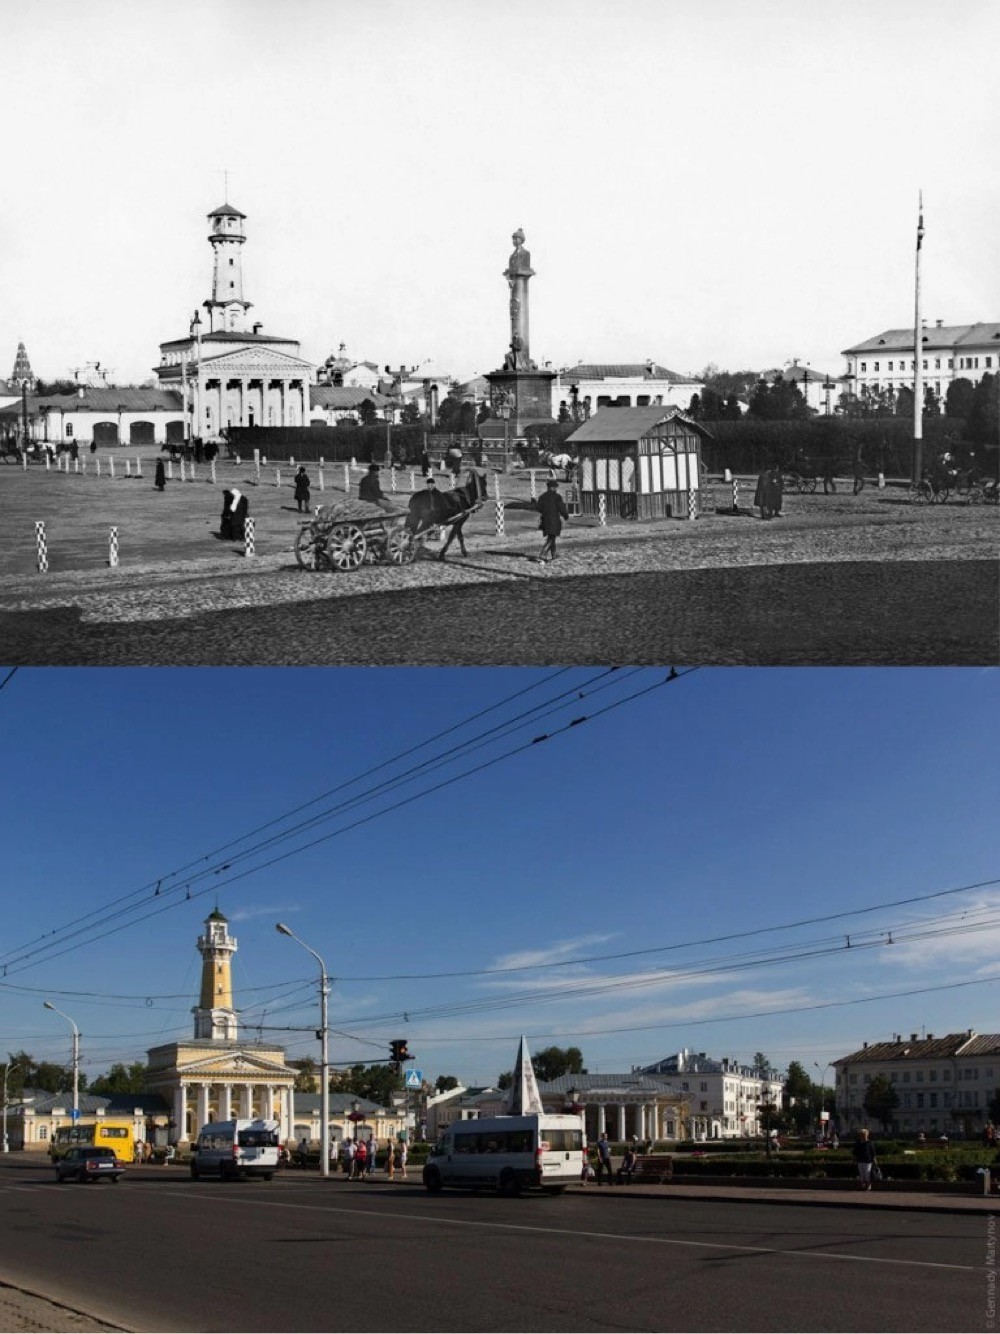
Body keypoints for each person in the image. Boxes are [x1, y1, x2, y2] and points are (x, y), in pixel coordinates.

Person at [533, 478, 569, 562]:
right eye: (555, 487)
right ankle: (543, 554)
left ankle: (554, 554)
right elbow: (561, 508)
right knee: (552, 537)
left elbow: (539, 509)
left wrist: (534, 503)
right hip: (554, 520)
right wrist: (565, 515)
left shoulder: (543, 496)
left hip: (545, 520)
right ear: (554, 487)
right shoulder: (557, 497)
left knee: (551, 536)